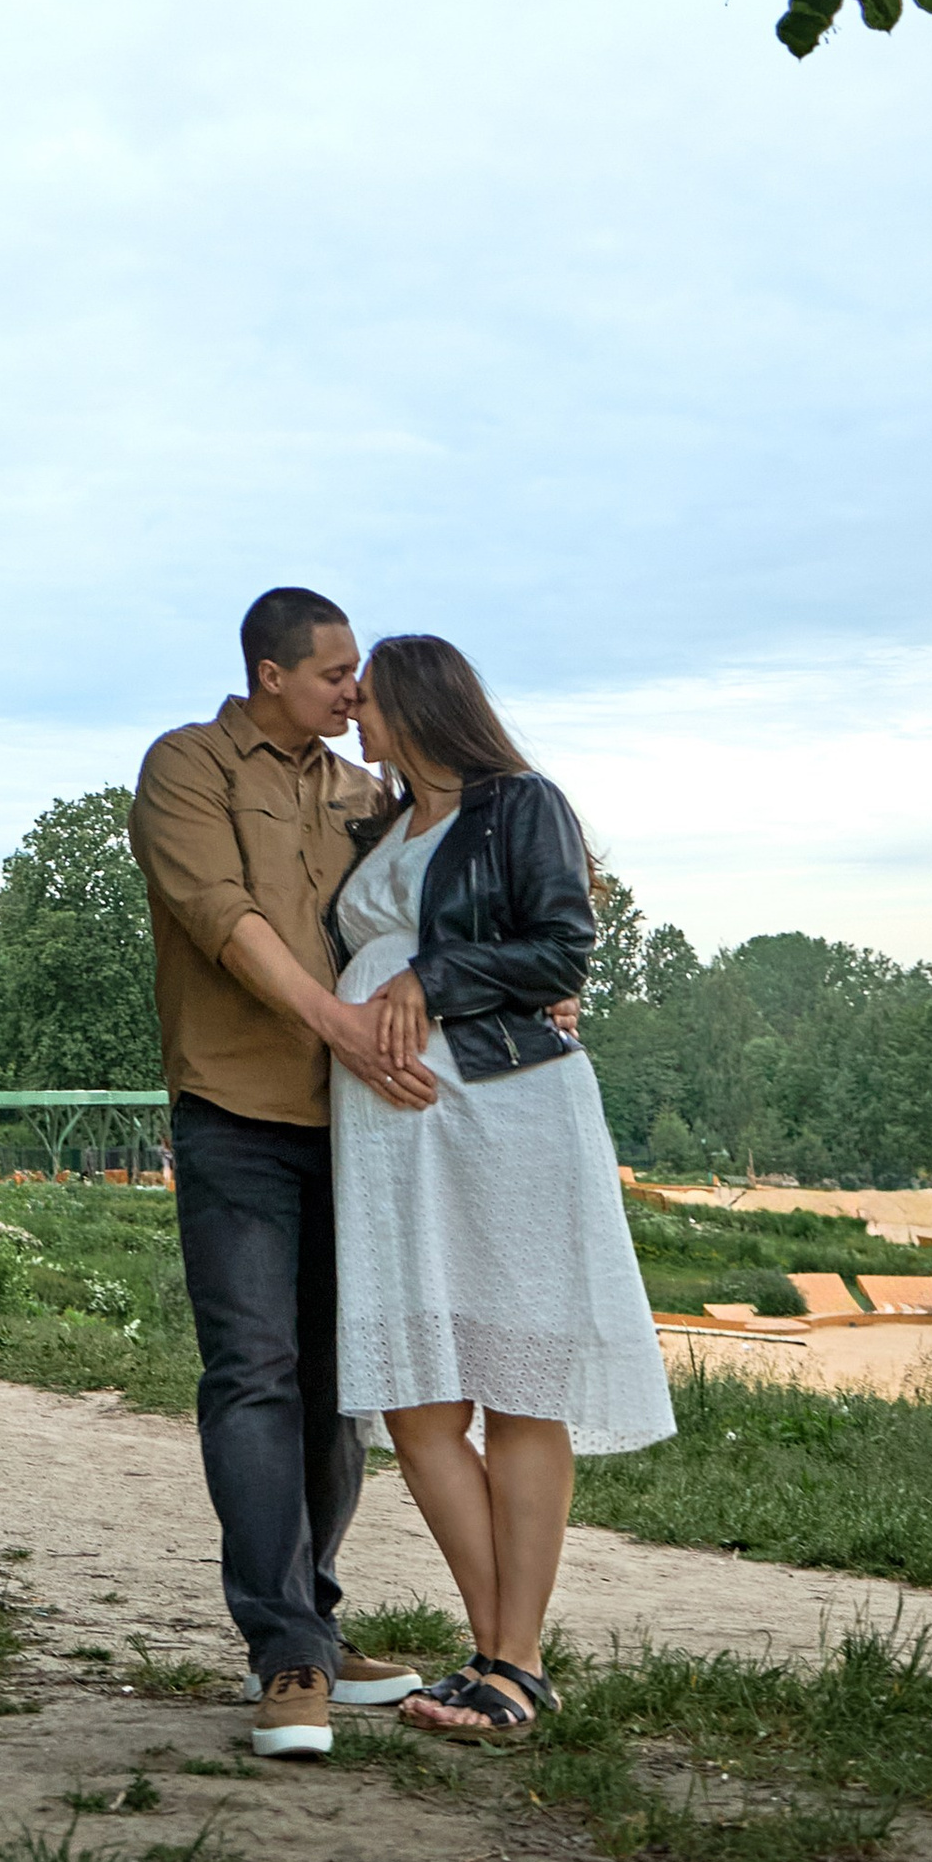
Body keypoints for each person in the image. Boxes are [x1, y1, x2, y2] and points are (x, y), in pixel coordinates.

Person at [328, 632, 674, 1745]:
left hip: (509, 1111)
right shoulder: (380, 823)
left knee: (520, 1382)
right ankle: (496, 1655)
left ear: (422, 704)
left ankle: (511, 1663)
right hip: (389, 1127)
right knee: (416, 1396)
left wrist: (432, 976)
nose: (356, 718)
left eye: (370, 700)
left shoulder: (520, 802)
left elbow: (561, 950)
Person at [129, 588, 437, 1761]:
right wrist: (334, 1023)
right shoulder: (188, 768)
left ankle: (313, 1612)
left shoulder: (364, 792)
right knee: (253, 1372)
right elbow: (224, 915)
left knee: (332, 1383)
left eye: (357, 673)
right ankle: (286, 1657)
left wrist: (527, 970)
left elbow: (434, 897)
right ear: (271, 673)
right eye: (334, 673)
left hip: (360, 1128)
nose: (355, 691)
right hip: (237, 1110)